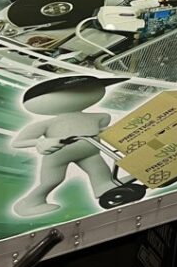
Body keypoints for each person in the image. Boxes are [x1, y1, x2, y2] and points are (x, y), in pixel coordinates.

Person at [11, 74, 143, 217]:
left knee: (99, 170)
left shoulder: (98, 117)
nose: (84, 93)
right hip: (58, 156)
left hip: (90, 153)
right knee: (52, 180)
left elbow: (102, 130)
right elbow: (18, 142)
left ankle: (105, 186)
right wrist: (40, 142)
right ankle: (31, 202)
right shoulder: (48, 124)